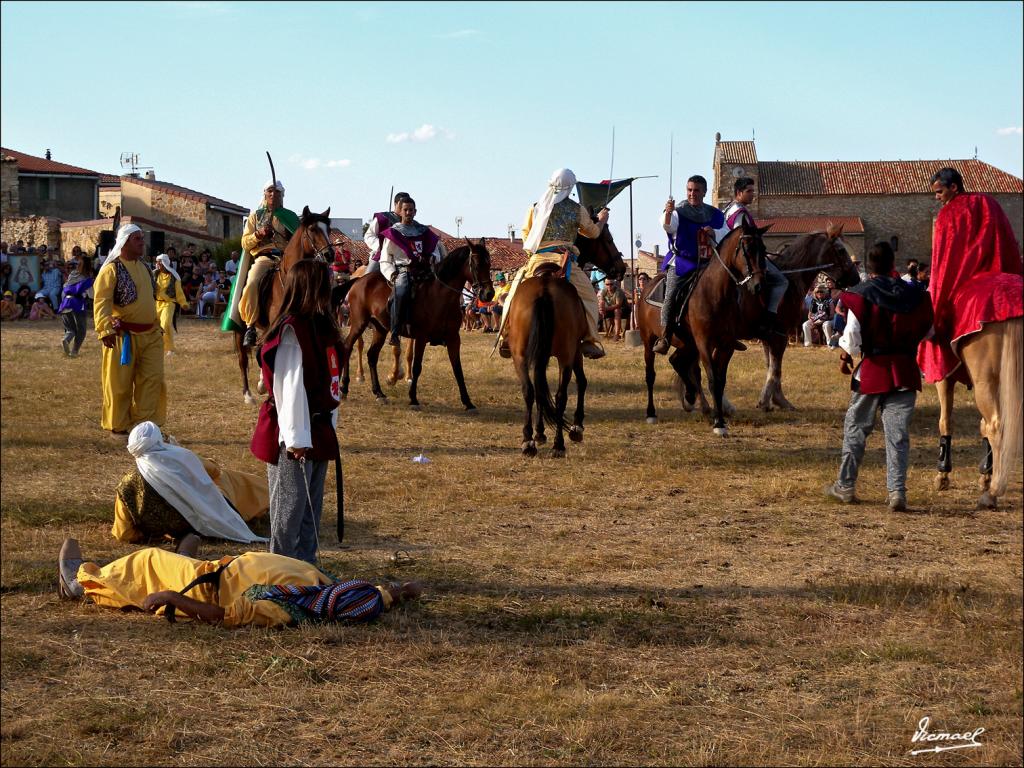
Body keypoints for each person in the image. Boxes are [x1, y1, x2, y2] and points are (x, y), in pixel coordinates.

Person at [57, 537, 422, 628]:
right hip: (221, 566)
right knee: (168, 558)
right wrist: (402, 591)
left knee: (146, 561)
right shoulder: (328, 589)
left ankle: (81, 584)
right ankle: (184, 552)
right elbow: (381, 595)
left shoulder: (285, 609)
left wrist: (172, 597)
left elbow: (223, 614)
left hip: (205, 585)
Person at [825, 241, 934, 511]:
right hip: (906, 371)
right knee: (897, 435)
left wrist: (846, 354)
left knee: (856, 428)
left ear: (870, 267)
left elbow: (851, 339)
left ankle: (846, 485)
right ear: (892, 263)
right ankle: (897, 492)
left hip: (873, 371)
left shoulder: (860, 295)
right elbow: (929, 332)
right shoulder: (915, 295)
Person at [250, 260, 342, 564]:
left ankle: (306, 572)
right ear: (308, 287)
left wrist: (329, 424)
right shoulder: (292, 331)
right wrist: (296, 440)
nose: (329, 288)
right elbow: (290, 390)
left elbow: (330, 381)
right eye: (323, 282)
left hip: (318, 429)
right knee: (287, 513)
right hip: (294, 435)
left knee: (310, 513)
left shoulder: (321, 325)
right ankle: (280, 574)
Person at [917, 167, 1023, 387]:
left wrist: (937, 307)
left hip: (970, 283)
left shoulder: (948, 215)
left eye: (939, 192)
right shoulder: (989, 202)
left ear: (954, 187)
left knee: (944, 330)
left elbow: (943, 264)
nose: (937, 198)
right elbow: (1007, 243)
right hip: (1005, 275)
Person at [497, 168, 610, 359]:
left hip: (537, 260)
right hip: (564, 261)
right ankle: (590, 339)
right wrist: (601, 220)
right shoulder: (576, 209)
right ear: (570, 188)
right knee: (590, 296)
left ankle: (506, 334)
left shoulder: (535, 207)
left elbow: (527, 234)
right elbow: (592, 233)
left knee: (512, 295)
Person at [112, 421, 267, 544]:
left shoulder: (126, 484)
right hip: (205, 520)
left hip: (173, 533)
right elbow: (214, 471)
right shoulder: (181, 459)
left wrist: (153, 535)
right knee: (225, 478)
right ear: (158, 440)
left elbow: (124, 533)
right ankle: (264, 498)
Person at [93, 224, 166, 436]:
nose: (142, 242)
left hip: (151, 335)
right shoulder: (111, 270)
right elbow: (101, 302)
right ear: (124, 242)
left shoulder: (144, 267)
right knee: (119, 384)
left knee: (152, 380)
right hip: (122, 337)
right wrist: (105, 329)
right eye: (137, 239)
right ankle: (118, 427)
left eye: (142, 238)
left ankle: (144, 428)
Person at [652, 174, 725, 354]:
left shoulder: (713, 213)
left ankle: (728, 332)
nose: (692, 194)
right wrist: (667, 212)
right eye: (689, 190)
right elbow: (668, 225)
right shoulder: (678, 211)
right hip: (682, 262)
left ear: (704, 192)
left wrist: (714, 232)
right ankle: (665, 336)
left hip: (708, 263)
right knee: (671, 294)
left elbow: (726, 230)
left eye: (696, 190)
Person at [715, 177, 789, 337]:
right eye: (749, 191)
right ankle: (769, 318)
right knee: (781, 281)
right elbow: (742, 241)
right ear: (738, 192)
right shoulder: (740, 213)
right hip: (744, 259)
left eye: (752, 191)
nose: (752, 195)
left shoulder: (728, 208)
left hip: (731, 257)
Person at [232, 180, 299, 347]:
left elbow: (299, 240)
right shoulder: (256, 216)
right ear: (264, 194)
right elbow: (245, 243)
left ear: (282, 195)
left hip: (286, 259)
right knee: (252, 283)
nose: (273, 194)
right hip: (264, 258)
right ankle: (250, 326)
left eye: (277, 192)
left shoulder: (290, 217)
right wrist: (259, 235)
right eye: (270, 191)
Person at [378, 197, 446, 346]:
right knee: (401, 292)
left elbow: (435, 252)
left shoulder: (424, 231)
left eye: (411, 210)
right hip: (404, 271)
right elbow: (385, 259)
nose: (408, 212)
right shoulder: (394, 233)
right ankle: (395, 331)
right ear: (400, 212)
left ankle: (438, 331)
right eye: (405, 210)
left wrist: (431, 259)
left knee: (440, 292)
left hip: (425, 270)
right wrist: (392, 274)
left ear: (415, 212)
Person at [363, 192, 412, 275]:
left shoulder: (411, 223)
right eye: (402, 203)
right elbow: (369, 236)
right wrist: (381, 246)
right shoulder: (382, 218)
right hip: (383, 255)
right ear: (396, 204)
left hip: (404, 257)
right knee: (367, 277)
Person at [58, 255, 95, 356]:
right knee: (81, 329)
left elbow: (65, 287)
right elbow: (91, 295)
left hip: (65, 302)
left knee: (70, 329)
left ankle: (66, 339)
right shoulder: (87, 279)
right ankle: (74, 351)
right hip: (77, 304)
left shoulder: (72, 275)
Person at [154, 254, 189, 355]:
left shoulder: (174, 277)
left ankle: (170, 349)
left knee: (165, 324)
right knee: (155, 327)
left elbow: (179, 292)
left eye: (159, 262)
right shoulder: (154, 275)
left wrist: (183, 303)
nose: (157, 264)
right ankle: (158, 347)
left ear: (164, 263)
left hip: (169, 303)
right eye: (157, 262)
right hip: (156, 304)